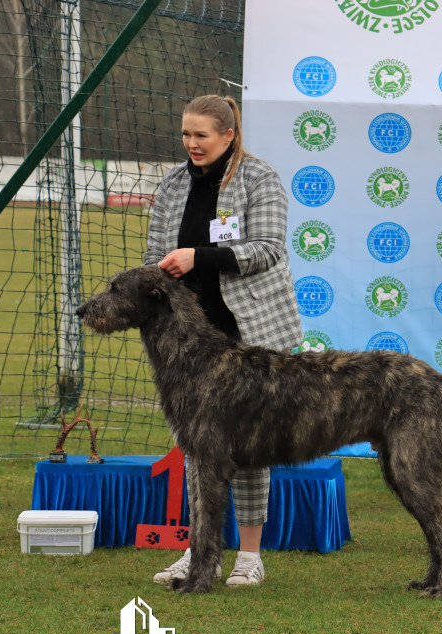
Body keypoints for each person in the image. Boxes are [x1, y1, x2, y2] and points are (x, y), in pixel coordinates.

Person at [144, 94, 302, 587]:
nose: (192, 143)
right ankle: (199, 553)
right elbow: (154, 251)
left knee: (249, 446)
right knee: (196, 446)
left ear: (229, 135)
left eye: (202, 135)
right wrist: (159, 272)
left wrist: (199, 257)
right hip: (189, 342)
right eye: (186, 134)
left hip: (250, 332)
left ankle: (250, 556)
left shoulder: (259, 179)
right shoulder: (172, 184)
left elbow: (268, 250)